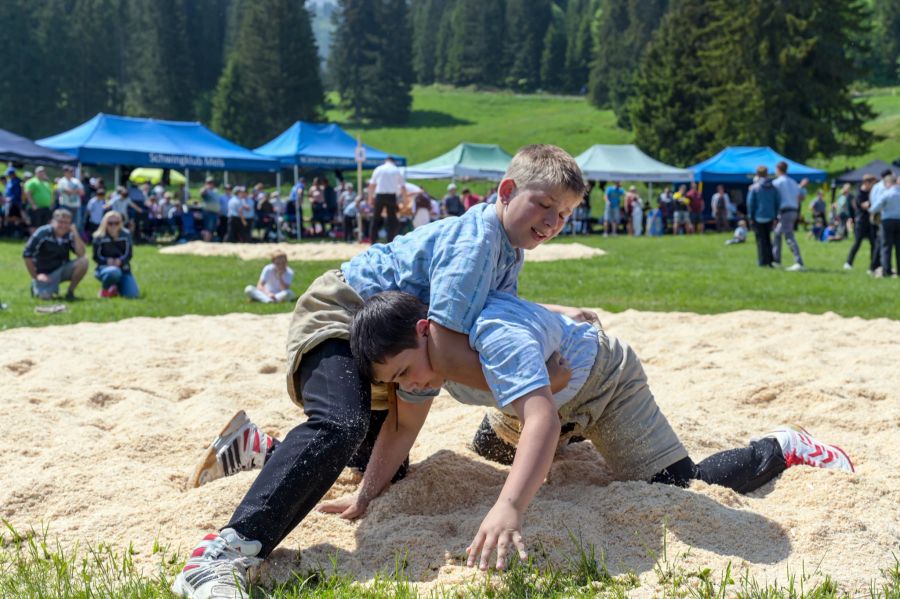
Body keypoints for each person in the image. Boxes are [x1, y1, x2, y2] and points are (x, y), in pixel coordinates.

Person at [172, 145, 592, 599]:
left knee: (385, 469)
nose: (552, 221)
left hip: (394, 345)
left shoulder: (507, 253)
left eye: (565, 214)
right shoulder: (477, 240)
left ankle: (260, 449)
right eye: (545, 205)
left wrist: (553, 314)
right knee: (340, 424)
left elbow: (458, 346)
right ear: (507, 191)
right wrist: (533, 386)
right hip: (342, 315)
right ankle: (224, 552)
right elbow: (447, 356)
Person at [339, 290, 854, 571]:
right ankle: (571, 436)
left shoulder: (489, 338)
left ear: (426, 329)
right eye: (395, 381)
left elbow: (540, 415)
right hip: (537, 397)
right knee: (489, 447)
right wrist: (365, 495)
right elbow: (403, 427)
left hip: (604, 384)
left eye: (406, 371)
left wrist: (508, 508)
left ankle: (783, 446)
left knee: (677, 487)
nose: (409, 384)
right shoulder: (425, 358)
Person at [22, 209, 88, 300]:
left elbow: (81, 253)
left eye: (67, 223)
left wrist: (75, 233)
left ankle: (70, 292)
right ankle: (36, 285)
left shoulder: (69, 234)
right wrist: (36, 275)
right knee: (45, 298)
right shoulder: (42, 233)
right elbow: (27, 255)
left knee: (83, 262)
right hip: (44, 273)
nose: (63, 225)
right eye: (60, 222)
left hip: (61, 269)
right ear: (52, 222)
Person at [92, 210, 139, 298]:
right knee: (114, 272)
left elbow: (129, 254)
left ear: (120, 223)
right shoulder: (98, 237)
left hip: (124, 269)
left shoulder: (126, 235)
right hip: (105, 269)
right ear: (105, 223)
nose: (113, 225)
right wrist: (106, 261)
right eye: (110, 223)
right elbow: (96, 256)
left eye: (116, 223)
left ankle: (115, 288)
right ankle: (105, 290)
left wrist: (121, 261)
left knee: (133, 295)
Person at [772, 162, 805, 271]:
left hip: (785, 211)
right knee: (777, 234)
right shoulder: (793, 181)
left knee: (789, 236)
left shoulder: (777, 182)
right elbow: (800, 196)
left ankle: (798, 262)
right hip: (793, 210)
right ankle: (776, 260)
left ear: (778, 169)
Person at [367, 156, 407, 243]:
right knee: (392, 220)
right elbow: (403, 187)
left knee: (375, 219)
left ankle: (373, 241)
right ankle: (390, 241)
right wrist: (405, 201)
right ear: (394, 162)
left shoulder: (379, 169)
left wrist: (370, 198)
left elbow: (372, 185)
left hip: (380, 195)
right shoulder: (396, 170)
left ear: (385, 161)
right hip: (391, 196)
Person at [844, 175, 879, 270]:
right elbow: (864, 206)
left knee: (874, 244)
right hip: (861, 222)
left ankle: (873, 266)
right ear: (866, 183)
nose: (873, 186)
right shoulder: (859, 193)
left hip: (870, 222)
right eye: (872, 183)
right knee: (857, 243)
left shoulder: (871, 192)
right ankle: (848, 262)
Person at [868, 174, 900, 277]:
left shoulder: (886, 194)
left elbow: (874, 208)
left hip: (887, 221)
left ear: (888, 183)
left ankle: (887, 271)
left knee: (886, 247)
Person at [746, 166, 779, 267]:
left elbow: (750, 203)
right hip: (770, 216)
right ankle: (770, 261)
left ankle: (762, 261)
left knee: (760, 239)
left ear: (757, 174)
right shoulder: (773, 187)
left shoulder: (755, 187)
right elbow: (776, 202)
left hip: (758, 216)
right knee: (769, 239)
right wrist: (775, 216)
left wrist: (751, 217)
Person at [23, 166, 52, 233]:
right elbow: (28, 193)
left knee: (44, 226)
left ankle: (42, 241)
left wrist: (50, 204)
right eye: (40, 172)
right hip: (36, 208)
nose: (42, 173)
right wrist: (33, 204)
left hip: (45, 208)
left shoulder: (45, 183)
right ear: (36, 173)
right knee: (34, 225)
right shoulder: (32, 182)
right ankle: (34, 241)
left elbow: (50, 194)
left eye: (43, 171)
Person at [56, 165, 85, 231]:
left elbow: (82, 192)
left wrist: (71, 191)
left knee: (77, 224)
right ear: (65, 172)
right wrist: (76, 191)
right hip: (65, 206)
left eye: (72, 171)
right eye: (69, 171)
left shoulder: (76, 181)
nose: (71, 173)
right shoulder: (61, 181)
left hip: (76, 206)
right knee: (65, 223)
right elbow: (67, 192)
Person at [200, 177, 221, 242]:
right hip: (208, 213)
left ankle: (208, 243)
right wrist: (206, 187)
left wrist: (218, 215)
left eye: (211, 182)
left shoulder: (215, 191)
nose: (210, 184)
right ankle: (206, 243)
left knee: (212, 230)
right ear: (206, 183)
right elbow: (202, 193)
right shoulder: (205, 190)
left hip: (215, 213)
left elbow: (217, 203)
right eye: (209, 182)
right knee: (208, 229)